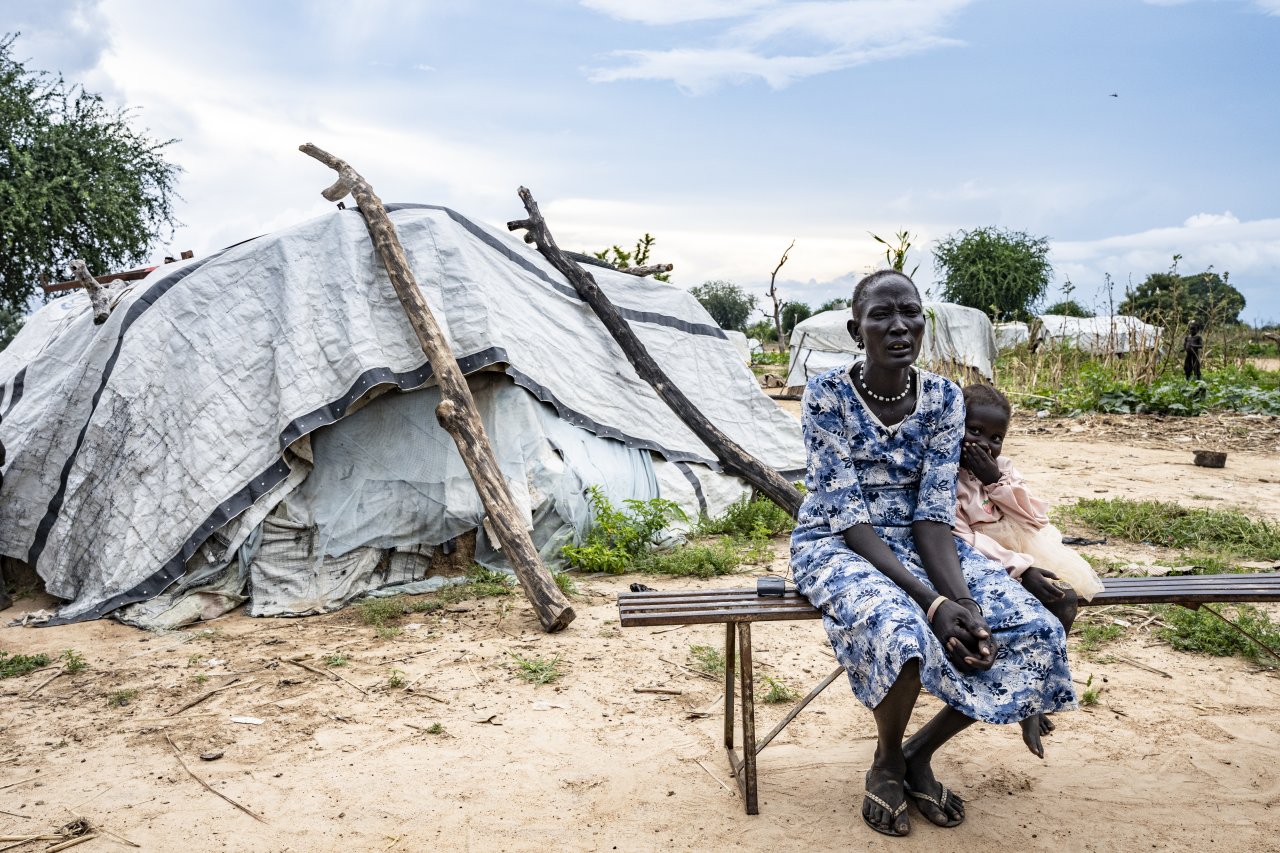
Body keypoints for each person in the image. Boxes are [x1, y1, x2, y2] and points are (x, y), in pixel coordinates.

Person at [790, 270, 1076, 838]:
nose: (899, 325)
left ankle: (919, 751)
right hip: (838, 541)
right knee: (901, 631)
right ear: (856, 329)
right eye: (880, 315)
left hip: (925, 542)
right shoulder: (825, 397)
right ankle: (887, 761)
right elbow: (849, 518)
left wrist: (961, 600)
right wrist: (932, 602)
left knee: (1029, 627)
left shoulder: (944, 398)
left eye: (910, 312)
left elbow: (932, 512)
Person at [955, 382, 1104, 756]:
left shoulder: (1001, 470)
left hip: (1026, 552)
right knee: (1021, 616)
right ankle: (1017, 696)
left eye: (995, 437)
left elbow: (1035, 518)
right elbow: (961, 539)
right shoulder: (945, 477)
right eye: (973, 430)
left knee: (1064, 602)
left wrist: (994, 480)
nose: (984, 443)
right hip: (982, 564)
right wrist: (1021, 570)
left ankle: (1031, 697)